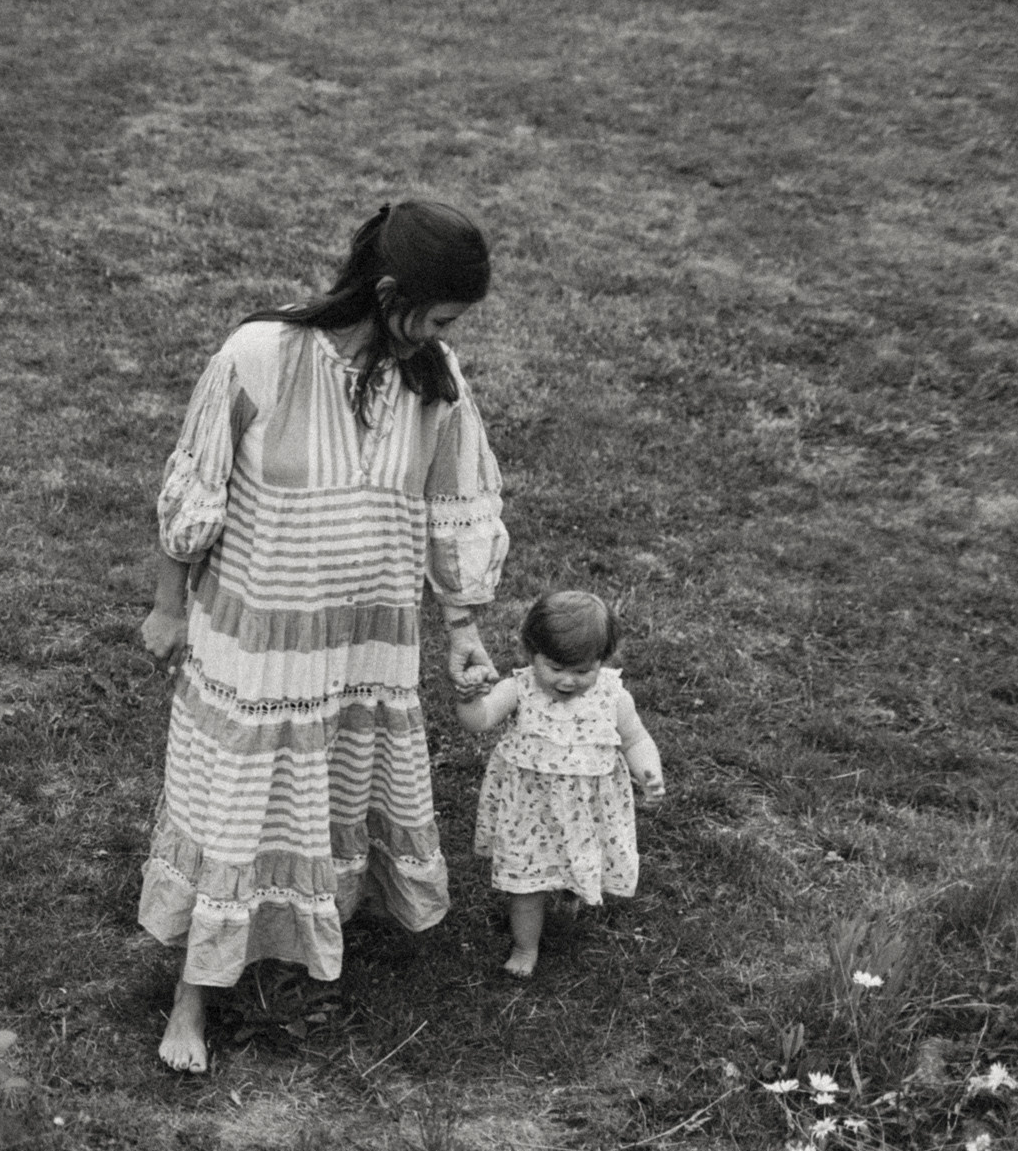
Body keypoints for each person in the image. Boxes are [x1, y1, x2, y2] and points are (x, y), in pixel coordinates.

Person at [139, 199, 507, 1073]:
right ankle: (192, 1000)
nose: (448, 336)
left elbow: (454, 505)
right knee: (237, 804)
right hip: (261, 638)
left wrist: (460, 626)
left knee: (334, 783)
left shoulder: (432, 379)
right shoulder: (259, 356)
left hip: (363, 639)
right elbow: (195, 487)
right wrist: (166, 605)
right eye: (443, 317)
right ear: (388, 292)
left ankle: (307, 931)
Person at [455, 590, 664, 978]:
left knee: (575, 864)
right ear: (531, 653)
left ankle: (570, 889)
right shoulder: (519, 689)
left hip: (586, 812)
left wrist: (648, 772)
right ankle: (525, 945)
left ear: (602, 662)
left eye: (583, 671)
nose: (568, 681)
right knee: (527, 885)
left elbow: (636, 739)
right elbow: (479, 720)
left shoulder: (613, 697)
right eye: (555, 668)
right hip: (529, 813)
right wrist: (468, 700)